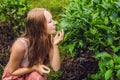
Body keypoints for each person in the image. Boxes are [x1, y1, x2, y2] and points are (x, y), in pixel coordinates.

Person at [2, 8, 64, 80]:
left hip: (32, 75)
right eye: (50, 22)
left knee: (37, 76)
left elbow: (56, 68)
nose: (55, 22)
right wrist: (34, 67)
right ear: (39, 27)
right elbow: (12, 71)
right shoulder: (20, 46)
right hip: (15, 76)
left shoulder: (48, 38)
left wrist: (55, 45)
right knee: (37, 76)